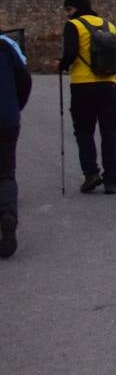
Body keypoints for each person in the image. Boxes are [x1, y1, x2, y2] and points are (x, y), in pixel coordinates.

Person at [58, 0, 116, 195]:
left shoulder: (74, 25)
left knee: (84, 132)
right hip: (108, 86)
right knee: (110, 133)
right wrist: (109, 70)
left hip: (82, 86)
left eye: (68, 10)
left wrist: (62, 65)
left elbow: (70, 53)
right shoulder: (109, 25)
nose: (67, 15)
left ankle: (91, 174)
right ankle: (112, 179)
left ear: (76, 9)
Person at [0, 29, 31, 259]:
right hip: (7, 120)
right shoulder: (6, 46)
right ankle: (8, 216)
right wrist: (15, 107)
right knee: (6, 175)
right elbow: (24, 78)